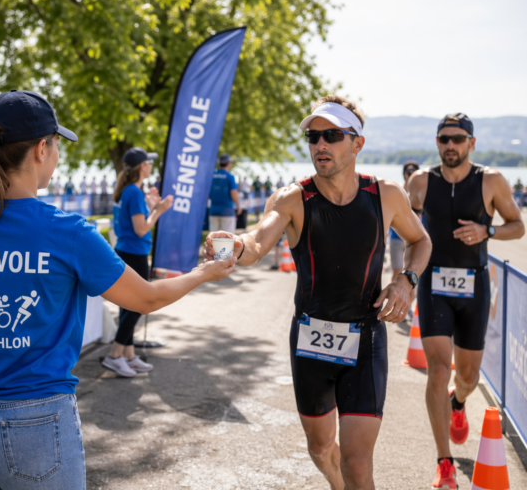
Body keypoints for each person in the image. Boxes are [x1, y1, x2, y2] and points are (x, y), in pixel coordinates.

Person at [0, 90, 235, 490]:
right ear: (42, 149)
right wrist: (204, 272)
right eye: (58, 146)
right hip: (38, 423)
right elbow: (147, 297)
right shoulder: (68, 232)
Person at [207, 95, 431, 490]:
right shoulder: (293, 198)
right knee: (321, 448)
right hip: (312, 339)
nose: (320, 145)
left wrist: (404, 280)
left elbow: (421, 242)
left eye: (331, 135)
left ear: (357, 143)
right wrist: (235, 244)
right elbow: (258, 243)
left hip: (366, 337)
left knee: (357, 461)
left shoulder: (386, 195)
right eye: (313, 137)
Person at [407, 113, 525, 489]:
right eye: (444, 139)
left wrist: (487, 230)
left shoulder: (490, 180)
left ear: (471, 143)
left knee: (467, 376)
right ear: (437, 142)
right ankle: (443, 463)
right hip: (433, 285)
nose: (450, 146)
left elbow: (517, 225)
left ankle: (458, 404)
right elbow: (406, 226)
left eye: (458, 139)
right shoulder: (421, 182)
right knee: (438, 370)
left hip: (474, 286)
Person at [104, 147, 174, 377]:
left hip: (129, 251)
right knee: (138, 305)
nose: (151, 166)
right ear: (141, 167)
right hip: (133, 253)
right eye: (149, 162)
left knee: (129, 306)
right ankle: (115, 355)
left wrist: (152, 205)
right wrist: (160, 210)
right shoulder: (133, 192)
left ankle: (129, 355)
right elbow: (141, 227)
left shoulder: (131, 191)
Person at [389, 160, 420, 319]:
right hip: (396, 238)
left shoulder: (421, 193)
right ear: (403, 173)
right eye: (408, 172)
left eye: (413, 173)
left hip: (413, 240)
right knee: (396, 273)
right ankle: (395, 304)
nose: (410, 175)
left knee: (411, 275)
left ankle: (406, 305)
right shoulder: (398, 190)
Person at [209, 154, 242, 234]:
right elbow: (234, 193)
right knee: (228, 238)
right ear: (228, 163)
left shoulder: (212, 176)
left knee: (213, 239)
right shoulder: (230, 177)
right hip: (227, 211)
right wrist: (238, 206)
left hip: (213, 210)